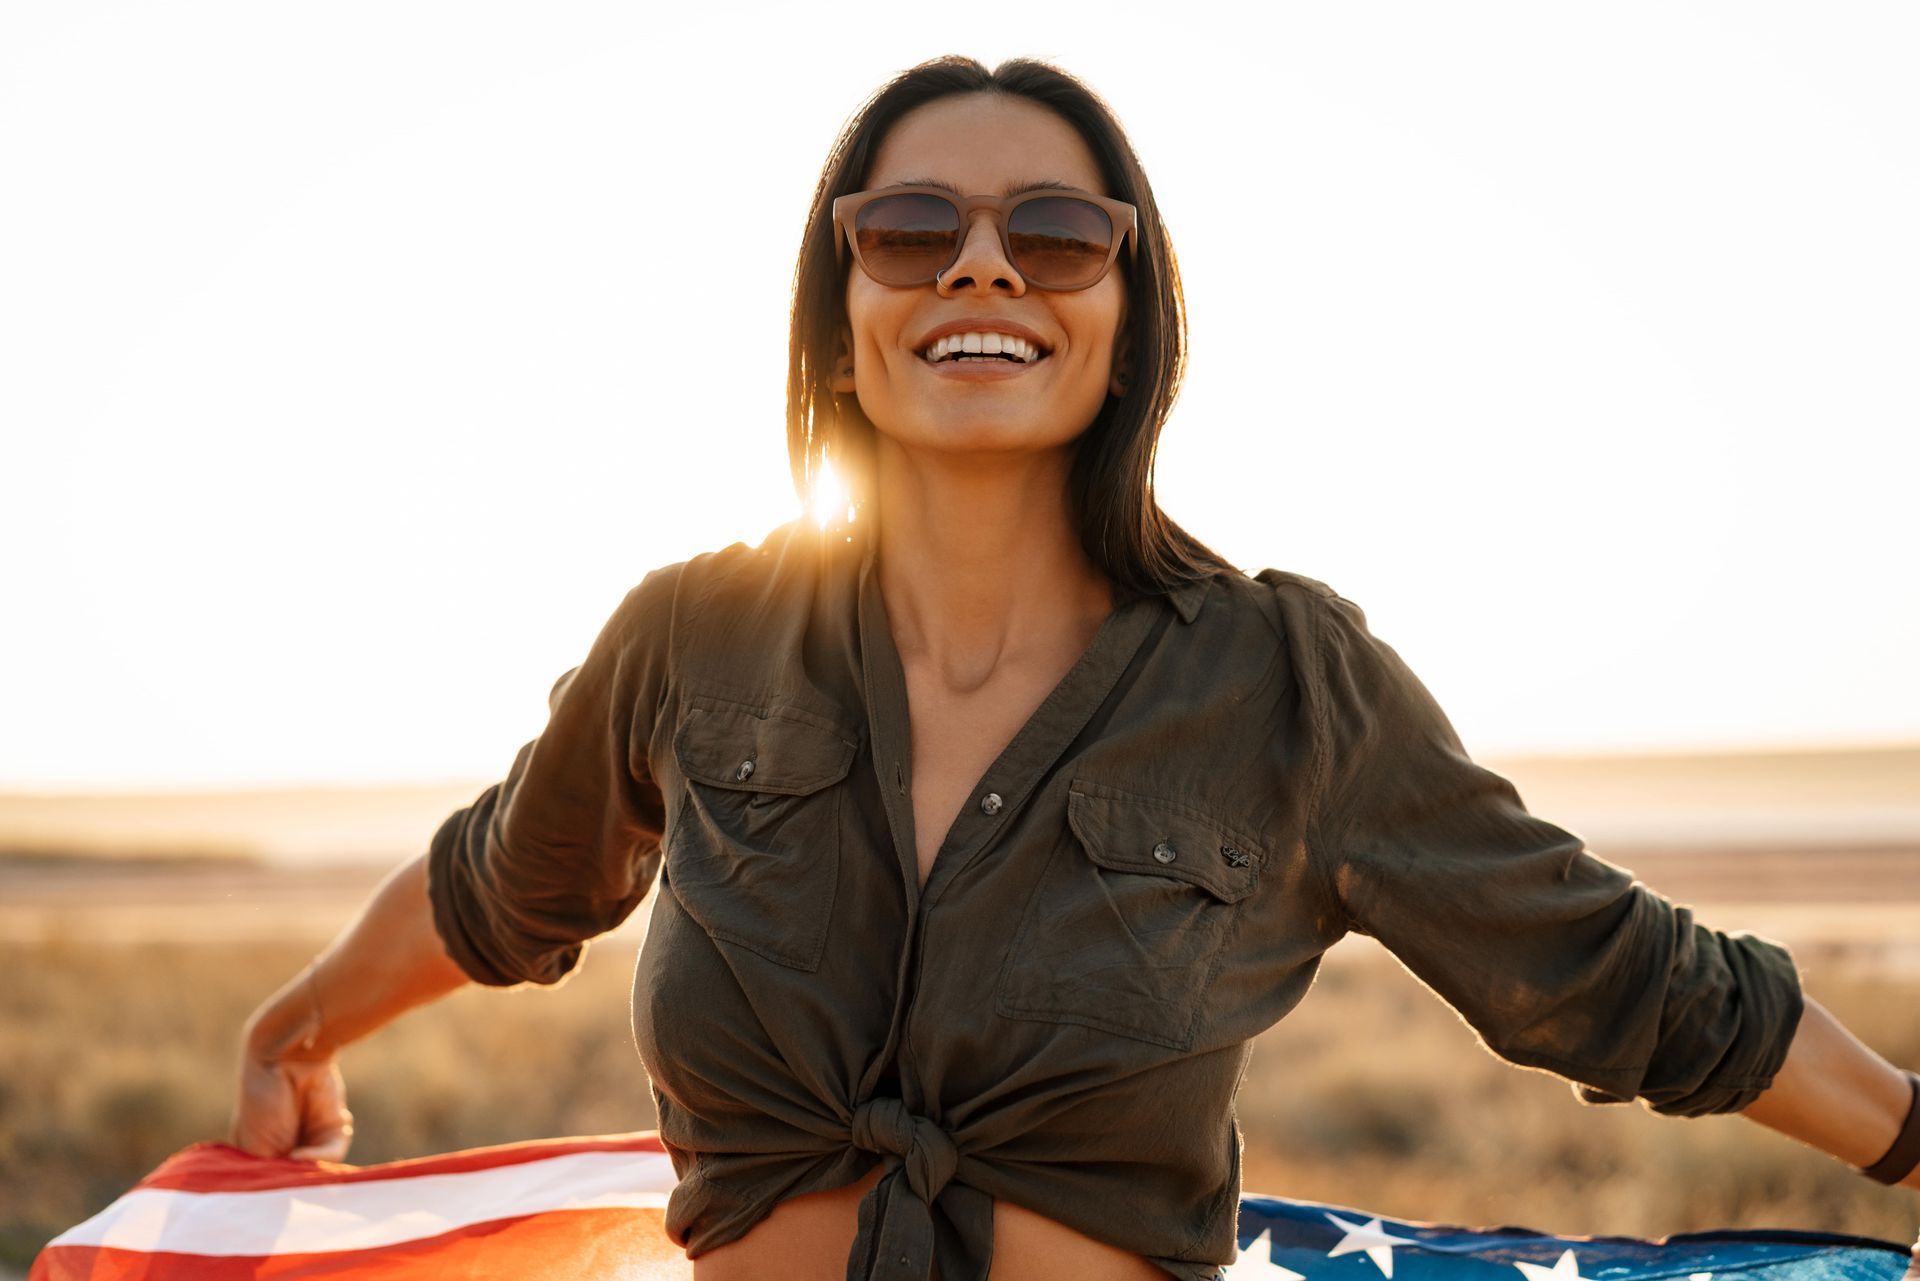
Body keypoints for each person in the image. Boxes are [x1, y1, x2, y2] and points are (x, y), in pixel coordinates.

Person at [231, 54, 1920, 1281]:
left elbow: (1620, 973)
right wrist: (299, 1025)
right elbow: (507, 880)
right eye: (908, 228)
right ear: (840, 307)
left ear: (1129, 316)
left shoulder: (1283, 681)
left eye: (1054, 232)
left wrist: (1911, 1133)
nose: (980, 265)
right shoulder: (694, 633)